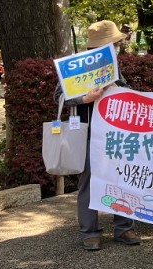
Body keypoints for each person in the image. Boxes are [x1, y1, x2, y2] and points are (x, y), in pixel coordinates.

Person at [54, 20, 140, 251]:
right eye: (114, 42)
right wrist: (84, 99)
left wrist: (119, 88)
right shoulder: (75, 65)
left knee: (121, 178)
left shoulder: (113, 65)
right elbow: (59, 96)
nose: (117, 46)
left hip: (115, 134)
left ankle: (124, 228)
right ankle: (89, 232)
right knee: (89, 182)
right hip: (87, 132)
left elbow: (127, 90)